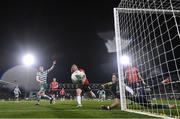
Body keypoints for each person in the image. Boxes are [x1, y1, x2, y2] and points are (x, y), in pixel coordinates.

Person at [101, 73, 176, 110]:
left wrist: (108, 107)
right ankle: (168, 106)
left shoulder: (119, 85)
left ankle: (163, 82)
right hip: (136, 95)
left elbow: (117, 102)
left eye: (114, 77)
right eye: (112, 77)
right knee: (150, 105)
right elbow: (118, 102)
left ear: (117, 78)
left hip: (138, 94)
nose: (112, 78)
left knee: (149, 90)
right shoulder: (115, 87)